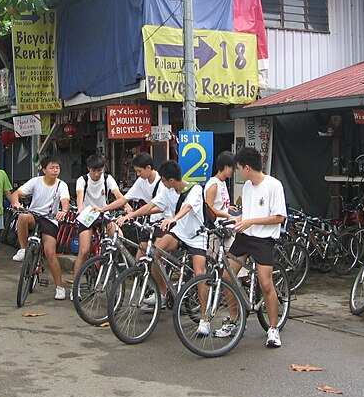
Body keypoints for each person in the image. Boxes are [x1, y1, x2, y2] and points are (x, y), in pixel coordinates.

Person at [216, 147, 286, 348]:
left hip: (264, 240)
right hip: (244, 237)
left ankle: (273, 328)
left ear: (247, 167)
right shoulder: (247, 187)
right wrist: (235, 220)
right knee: (226, 276)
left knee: (265, 283)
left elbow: (279, 217)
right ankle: (234, 319)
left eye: (239, 168)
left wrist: (251, 221)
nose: (237, 172)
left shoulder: (274, 185)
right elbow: (246, 213)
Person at [157, 160, 211, 331]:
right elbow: (154, 204)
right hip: (180, 233)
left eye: (164, 180)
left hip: (197, 236)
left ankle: (204, 318)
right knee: (153, 251)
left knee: (199, 274)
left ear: (171, 180)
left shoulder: (195, 189)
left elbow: (187, 207)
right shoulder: (169, 191)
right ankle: (163, 292)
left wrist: (173, 219)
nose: (163, 183)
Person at [8, 155, 71, 300]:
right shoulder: (36, 182)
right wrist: (16, 203)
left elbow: (65, 200)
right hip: (34, 215)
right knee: (22, 217)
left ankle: (60, 287)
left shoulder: (61, 185)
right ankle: (24, 249)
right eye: (52, 167)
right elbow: (16, 194)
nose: (55, 170)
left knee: (50, 253)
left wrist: (64, 210)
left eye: (57, 167)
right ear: (44, 170)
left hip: (50, 220)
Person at [72, 154, 125, 296]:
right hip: (87, 216)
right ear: (88, 169)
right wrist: (81, 211)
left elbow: (118, 194)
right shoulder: (82, 180)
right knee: (84, 251)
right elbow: (79, 198)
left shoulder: (108, 179)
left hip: (103, 214)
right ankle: (75, 288)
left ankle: (109, 262)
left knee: (119, 237)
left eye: (99, 170)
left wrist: (127, 207)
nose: (96, 174)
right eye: (93, 170)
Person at [114, 152, 178, 260]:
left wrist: (134, 213)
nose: (138, 174)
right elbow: (124, 199)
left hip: (165, 222)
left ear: (148, 168)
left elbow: (159, 207)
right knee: (139, 258)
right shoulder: (141, 181)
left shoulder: (162, 183)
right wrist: (102, 209)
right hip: (151, 222)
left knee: (156, 256)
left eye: (139, 171)